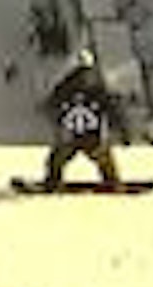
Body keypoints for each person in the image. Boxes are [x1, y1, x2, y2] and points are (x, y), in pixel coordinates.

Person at [41, 48, 128, 189]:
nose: (84, 77)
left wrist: (55, 116)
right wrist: (122, 129)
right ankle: (112, 182)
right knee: (105, 160)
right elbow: (112, 108)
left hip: (71, 136)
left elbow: (51, 104)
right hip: (90, 135)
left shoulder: (66, 85)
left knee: (56, 160)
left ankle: (52, 182)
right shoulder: (98, 86)